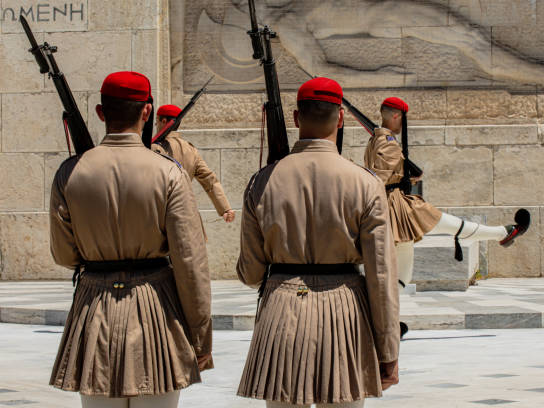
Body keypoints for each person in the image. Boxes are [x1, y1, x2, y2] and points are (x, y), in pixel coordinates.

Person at [48, 71, 212, 408]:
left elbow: (65, 255)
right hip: (156, 308)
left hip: (94, 305)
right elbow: (190, 263)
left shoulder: (69, 172)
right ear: (147, 112)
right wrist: (199, 338)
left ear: (100, 112)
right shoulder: (169, 172)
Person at [236, 77, 400, 407]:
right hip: (344, 311)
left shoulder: (262, 182)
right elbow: (381, 276)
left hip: (281, 309)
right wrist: (388, 349)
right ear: (340, 118)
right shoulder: (365, 183)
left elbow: (252, 273)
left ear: (297, 119)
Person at [364, 96, 530, 335]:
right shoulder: (389, 142)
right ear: (396, 116)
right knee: (442, 229)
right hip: (397, 208)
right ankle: (501, 233)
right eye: (403, 119)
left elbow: (381, 175)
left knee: (404, 271)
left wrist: (406, 178)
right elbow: (376, 178)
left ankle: (388, 323)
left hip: (394, 204)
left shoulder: (375, 140)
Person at [152, 104, 235, 223]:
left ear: (163, 121)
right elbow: (209, 179)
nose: (156, 125)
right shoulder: (190, 150)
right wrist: (225, 208)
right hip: (185, 214)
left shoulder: (154, 148)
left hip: (160, 216)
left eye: (156, 121)